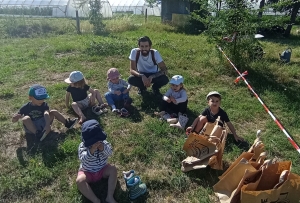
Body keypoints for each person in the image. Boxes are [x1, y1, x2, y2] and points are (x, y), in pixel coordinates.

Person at [76, 119, 117, 203]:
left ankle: (109, 196)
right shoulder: (82, 146)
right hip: (88, 172)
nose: (96, 143)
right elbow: (83, 159)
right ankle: (96, 200)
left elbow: (110, 153)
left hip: (103, 169)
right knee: (80, 181)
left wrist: (103, 148)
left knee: (113, 169)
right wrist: (91, 151)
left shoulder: (103, 143)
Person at [12, 84, 77, 137]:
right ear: (30, 98)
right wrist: (15, 118)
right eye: (39, 99)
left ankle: (67, 123)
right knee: (25, 118)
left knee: (53, 111)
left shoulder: (44, 104)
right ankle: (38, 134)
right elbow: (13, 121)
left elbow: (46, 113)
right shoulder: (25, 107)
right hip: (32, 127)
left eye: (43, 98)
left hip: (44, 123)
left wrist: (47, 125)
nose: (42, 100)